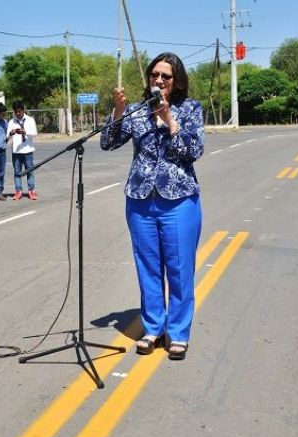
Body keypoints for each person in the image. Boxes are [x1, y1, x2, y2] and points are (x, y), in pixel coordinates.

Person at [100, 52, 205, 361]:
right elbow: (108, 142)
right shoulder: (136, 111)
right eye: (154, 75)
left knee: (179, 269)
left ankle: (178, 333)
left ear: (177, 81)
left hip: (179, 201)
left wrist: (169, 119)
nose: (159, 80)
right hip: (140, 200)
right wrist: (119, 110)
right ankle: (153, 327)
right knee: (147, 268)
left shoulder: (190, 109)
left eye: (166, 77)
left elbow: (193, 150)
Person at [7, 100, 38, 201]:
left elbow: (34, 133)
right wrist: (11, 133)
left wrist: (25, 132)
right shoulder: (11, 122)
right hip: (16, 152)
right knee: (17, 172)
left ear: (23, 110)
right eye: (16, 112)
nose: (18, 114)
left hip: (28, 150)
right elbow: (7, 137)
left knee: (30, 171)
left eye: (19, 111)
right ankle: (18, 191)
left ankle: (31, 191)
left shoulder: (30, 120)